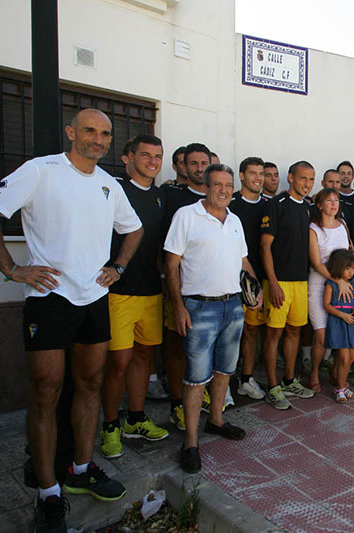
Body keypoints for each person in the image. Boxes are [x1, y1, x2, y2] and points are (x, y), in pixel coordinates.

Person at [0, 108, 141, 531]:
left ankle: (82, 470)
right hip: (50, 299)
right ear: (71, 132)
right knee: (47, 390)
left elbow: (133, 229)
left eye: (104, 134)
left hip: (94, 298)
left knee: (90, 385)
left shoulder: (107, 184)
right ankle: (48, 492)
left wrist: (117, 266)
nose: (97, 140)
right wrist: (12, 269)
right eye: (89, 131)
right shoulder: (41, 170)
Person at [163, 164, 260, 473]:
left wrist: (254, 289)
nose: (223, 189)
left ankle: (216, 420)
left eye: (228, 184)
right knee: (195, 377)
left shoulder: (235, 220)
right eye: (217, 184)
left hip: (233, 306)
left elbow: (243, 259)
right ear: (205, 187)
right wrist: (178, 307)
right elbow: (171, 262)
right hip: (198, 308)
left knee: (223, 370)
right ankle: (190, 441)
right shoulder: (186, 216)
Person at [100, 135, 169, 460]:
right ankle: (111, 425)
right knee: (119, 362)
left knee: (144, 358)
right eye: (145, 155)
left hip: (151, 291)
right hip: (118, 293)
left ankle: (136, 419)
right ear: (128, 158)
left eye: (157, 155)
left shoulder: (160, 196)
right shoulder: (112, 188)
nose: (152, 161)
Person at [260, 161, 318, 409]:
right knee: (274, 333)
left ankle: (289, 380)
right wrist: (273, 283)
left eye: (311, 180)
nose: (307, 184)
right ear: (291, 178)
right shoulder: (276, 205)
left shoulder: (308, 208)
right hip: (279, 282)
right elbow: (265, 247)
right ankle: (272, 387)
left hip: (301, 282)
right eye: (303, 178)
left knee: (295, 331)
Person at [161, 143, 210, 431]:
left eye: (204, 162)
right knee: (177, 342)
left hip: (209, 290)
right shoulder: (171, 196)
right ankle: (177, 403)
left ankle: (199, 396)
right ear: (183, 166)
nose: (199, 168)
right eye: (193, 163)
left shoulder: (218, 197)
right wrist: (167, 281)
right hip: (179, 285)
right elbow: (162, 241)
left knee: (202, 346)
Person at [229, 156, 269, 401]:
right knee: (228, 334)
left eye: (261, 173)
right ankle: (220, 385)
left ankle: (246, 378)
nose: (258, 178)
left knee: (252, 331)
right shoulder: (230, 203)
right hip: (229, 280)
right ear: (242, 175)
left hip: (257, 280)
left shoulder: (268, 205)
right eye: (252, 173)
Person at [307, 187, 351, 392]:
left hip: (340, 287)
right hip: (319, 285)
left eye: (336, 200)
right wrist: (337, 280)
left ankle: (336, 372)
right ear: (319, 205)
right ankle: (314, 371)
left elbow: (350, 251)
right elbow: (317, 263)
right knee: (322, 336)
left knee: (339, 332)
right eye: (329, 200)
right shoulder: (313, 229)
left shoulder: (342, 225)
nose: (334, 204)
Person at [323, 249, 354, 402]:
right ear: (338, 267)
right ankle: (340, 388)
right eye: (347, 268)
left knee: (352, 357)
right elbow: (326, 305)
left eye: (352, 268)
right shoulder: (331, 284)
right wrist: (343, 315)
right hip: (339, 322)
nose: (350, 271)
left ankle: (339, 379)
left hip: (352, 323)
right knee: (344, 357)